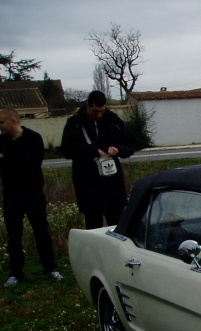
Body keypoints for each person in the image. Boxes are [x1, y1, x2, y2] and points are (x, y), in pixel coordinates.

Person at [0, 108, 62, 287]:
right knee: (14, 235)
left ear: (13, 121)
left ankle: (51, 269)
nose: (0, 127)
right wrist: (13, 161)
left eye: (2, 122)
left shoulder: (33, 138)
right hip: (11, 195)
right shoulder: (1, 141)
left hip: (33, 193)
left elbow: (31, 164)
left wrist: (6, 160)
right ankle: (16, 272)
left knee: (41, 232)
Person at [61, 91, 136, 229]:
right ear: (88, 106)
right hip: (88, 186)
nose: (99, 115)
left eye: (102, 111)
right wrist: (92, 150)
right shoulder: (75, 123)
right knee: (94, 229)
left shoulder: (113, 120)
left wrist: (118, 149)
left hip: (113, 187)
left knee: (117, 229)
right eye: (96, 111)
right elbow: (66, 149)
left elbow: (131, 143)